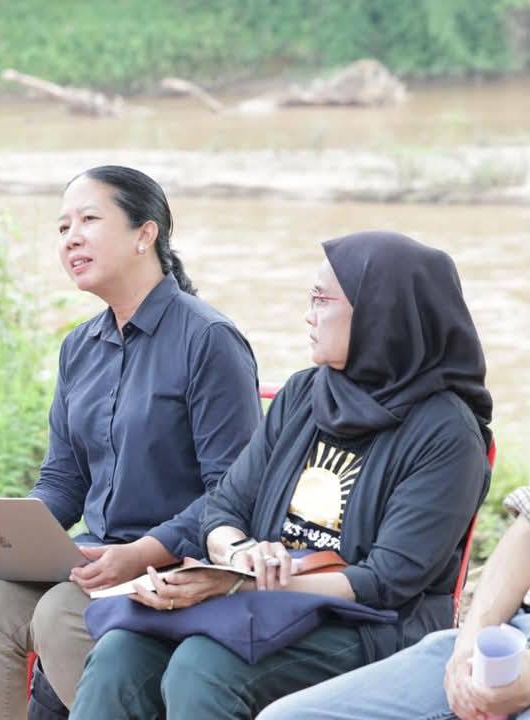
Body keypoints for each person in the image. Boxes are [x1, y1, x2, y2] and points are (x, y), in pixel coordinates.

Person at [69, 230, 493, 720]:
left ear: (382, 313)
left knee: (205, 668)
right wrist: (236, 556)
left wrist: (239, 585)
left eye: (322, 300)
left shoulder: (446, 433)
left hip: (369, 624)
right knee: (121, 654)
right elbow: (225, 507)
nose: (308, 315)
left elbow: (385, 581)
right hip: (262, 604)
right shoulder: (305, 394)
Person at [0, 165, 263, 719]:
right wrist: (4, 547)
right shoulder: (80, 347)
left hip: (179, 565)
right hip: (94, 557)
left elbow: (234, 492)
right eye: (63, 226)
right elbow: (63, 480)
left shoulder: (208, 339)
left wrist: (143, 552)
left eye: (89, 220)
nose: (71, 238)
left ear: (146, 234)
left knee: (63, 611)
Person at [257, 483, 530, 720]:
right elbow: (525, 533)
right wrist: (468, 648)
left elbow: (387, 578)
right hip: (509, 635)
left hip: (379, 616)